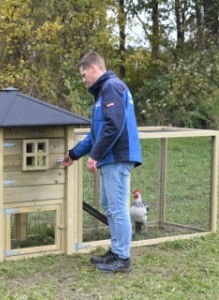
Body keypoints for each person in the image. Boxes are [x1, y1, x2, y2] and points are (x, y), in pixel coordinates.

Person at [62, 51, 142, 273]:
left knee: (117, 208)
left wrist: (94, 156)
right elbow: (95, 133)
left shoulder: (111, 87)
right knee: (110, 206)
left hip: (117, 157)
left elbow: (113, 126)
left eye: (84, 74)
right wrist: (74, 154)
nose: (83, 79)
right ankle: (116, 252)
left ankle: (123, 259)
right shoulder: (102, 93)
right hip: (110, 157)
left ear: (94, 68)